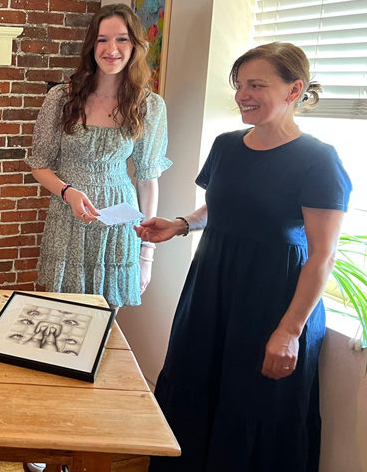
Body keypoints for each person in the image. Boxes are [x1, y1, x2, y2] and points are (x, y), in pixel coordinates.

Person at [137, 42, 351, 472]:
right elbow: (221, 205)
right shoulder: (227, 145)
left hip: (273, 301)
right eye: (239, 85)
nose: (242, 95)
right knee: (194, 389)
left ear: (294, 90)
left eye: (256, 85)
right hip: (210, 289)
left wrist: (289, 332)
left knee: (256, 406)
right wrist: (181, 224)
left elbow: (322, 256)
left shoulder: (318, 160)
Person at [26, 3, 171, 308]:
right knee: (62, 317)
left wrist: (147, 255)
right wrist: (68, 192)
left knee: (106, 320)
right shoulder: (61, 98)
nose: (111, 49)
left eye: (122, 39)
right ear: (92, 45)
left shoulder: (149, 106)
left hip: (119, 225)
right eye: (102, 39)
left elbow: (147, 180)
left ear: (135, 46)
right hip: (69, 220)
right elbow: (38, 164)